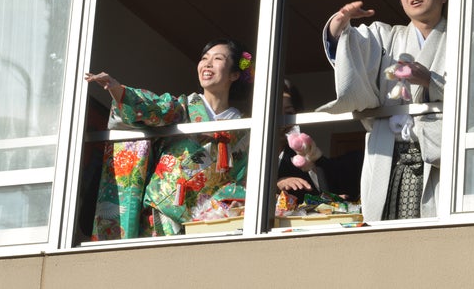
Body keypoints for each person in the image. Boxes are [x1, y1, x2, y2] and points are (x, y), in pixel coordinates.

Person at [319, 0, 448, 221]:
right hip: (388, 157)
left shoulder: (464, 39)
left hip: (438, 157)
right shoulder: (386, 37)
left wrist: (430, 81)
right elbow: (352, 51)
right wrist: (340, 23)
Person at [85, 39, 253, 239]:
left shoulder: (244, 130)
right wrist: (118, 90)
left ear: (235, 74)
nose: (207, 64)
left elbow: (244, 178)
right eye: (204, 58)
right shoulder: (182, 108)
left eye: (217, 59)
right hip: (162, 211)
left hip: (207, 220)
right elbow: (154, 107)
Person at [276, 80, 363, 202]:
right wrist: (276, 184)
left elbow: (323, 193)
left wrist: (330, 198)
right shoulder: (250, 153)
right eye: (276, 113)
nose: (282, 121)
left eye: (289, 113)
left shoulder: (302, 156)